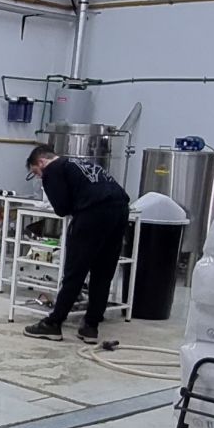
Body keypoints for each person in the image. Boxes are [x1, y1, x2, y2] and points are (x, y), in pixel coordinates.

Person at [22, 145, 129, 343]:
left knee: (75, 272)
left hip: (92, 214)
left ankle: (53, 323)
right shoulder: (80, 163)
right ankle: (91, 326)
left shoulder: (52, 170)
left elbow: (62, 208)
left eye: (36, 173)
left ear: (41, 162)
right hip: (120, 210)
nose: (39, 177)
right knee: (103, 273)